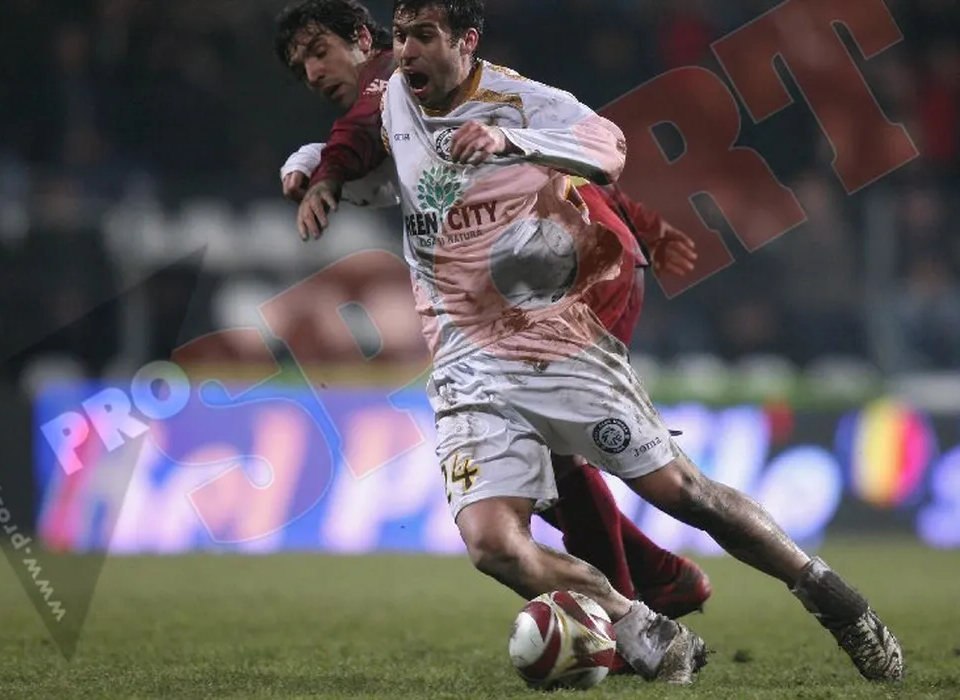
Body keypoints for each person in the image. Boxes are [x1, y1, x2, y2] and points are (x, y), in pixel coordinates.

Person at [286, 0, 905, 685]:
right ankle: (645, 629)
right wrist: (313, 168)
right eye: (401, 36)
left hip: (552, 341)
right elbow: (379, 167)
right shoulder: (393, 100)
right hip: (464, 363)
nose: (406, 51)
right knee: (493, 546)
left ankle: (833, 599)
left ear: (465, 42)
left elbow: (609, 147)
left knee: (682, 492)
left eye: (423, 36)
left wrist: (513, 143)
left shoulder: (516, 99)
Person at [274, 0, 711, 638]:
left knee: (553, 443)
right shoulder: (411, 109)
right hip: (558, 266)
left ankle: (634, 608)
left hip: (578, 266)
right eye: (300, 68)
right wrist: (311, 161)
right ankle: (653, 577)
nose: (313, 73)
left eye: (320, 52)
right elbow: (381, 164)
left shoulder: (391, 77)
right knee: (543, 453)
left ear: (364, 39)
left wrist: (323, 170)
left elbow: (360, 134)